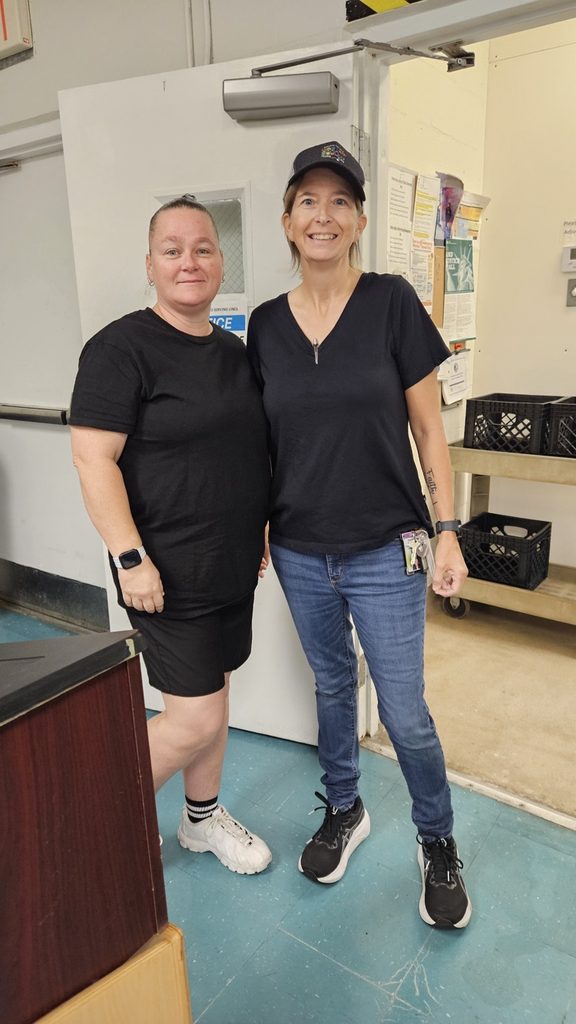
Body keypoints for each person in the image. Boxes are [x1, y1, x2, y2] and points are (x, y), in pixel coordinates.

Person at [247, 142, 472, 928]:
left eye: (340, 201)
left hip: (388, 548)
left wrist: (446, 530)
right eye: (308, 200)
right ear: (287, 220)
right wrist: (262, 529)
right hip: (302, 550)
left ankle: (436, 839)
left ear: (360, 220)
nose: (324, 214)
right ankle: (344, 808)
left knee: (405, 710)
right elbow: (264, 444)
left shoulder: (391, 301)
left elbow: (428, 432)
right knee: (333, 686)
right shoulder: (266, 326)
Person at [69, 195, 272, 876]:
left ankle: (200, 821)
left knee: (214, 700)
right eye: (173, 249)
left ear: (220, 262)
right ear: (150, 266)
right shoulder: (120, 348)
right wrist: (130, 558)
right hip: (164, 570)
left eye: (204, 248)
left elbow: (243, 452)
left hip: (232, 565)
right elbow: (92, 458)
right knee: (192, 720)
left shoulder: (233, 352)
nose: (190, 261)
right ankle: (94, 830)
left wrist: (261, 527)